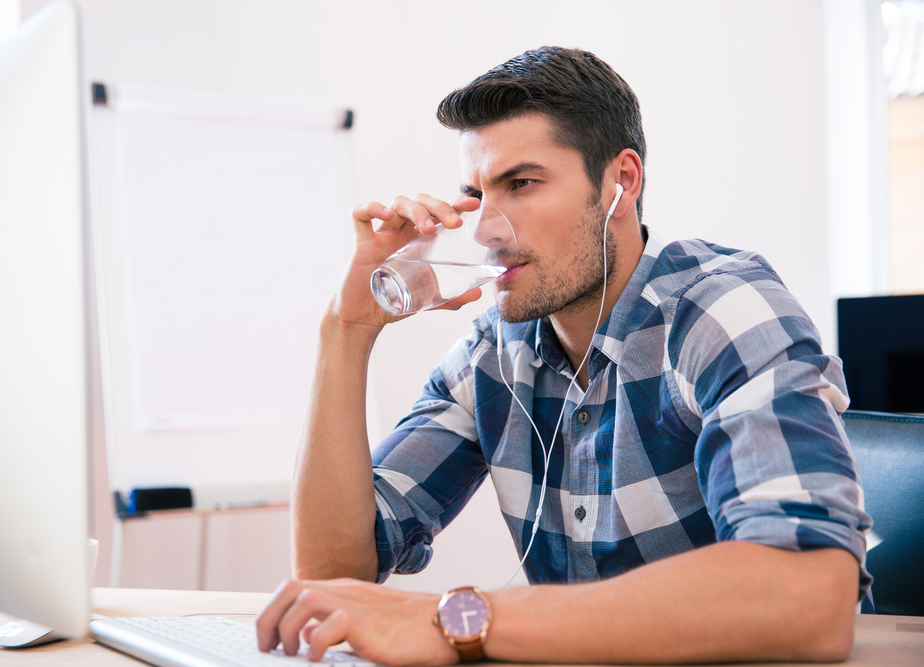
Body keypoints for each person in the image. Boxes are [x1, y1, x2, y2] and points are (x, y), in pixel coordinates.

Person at [256, 46, 873, 665]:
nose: (486, 231)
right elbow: (336, 572)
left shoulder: (720, 312)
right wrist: (347, 326)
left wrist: (458, 622)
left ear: (621, 183)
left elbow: (809, 596)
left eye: (522, 184)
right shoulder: (493, 356)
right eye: (477, 194)